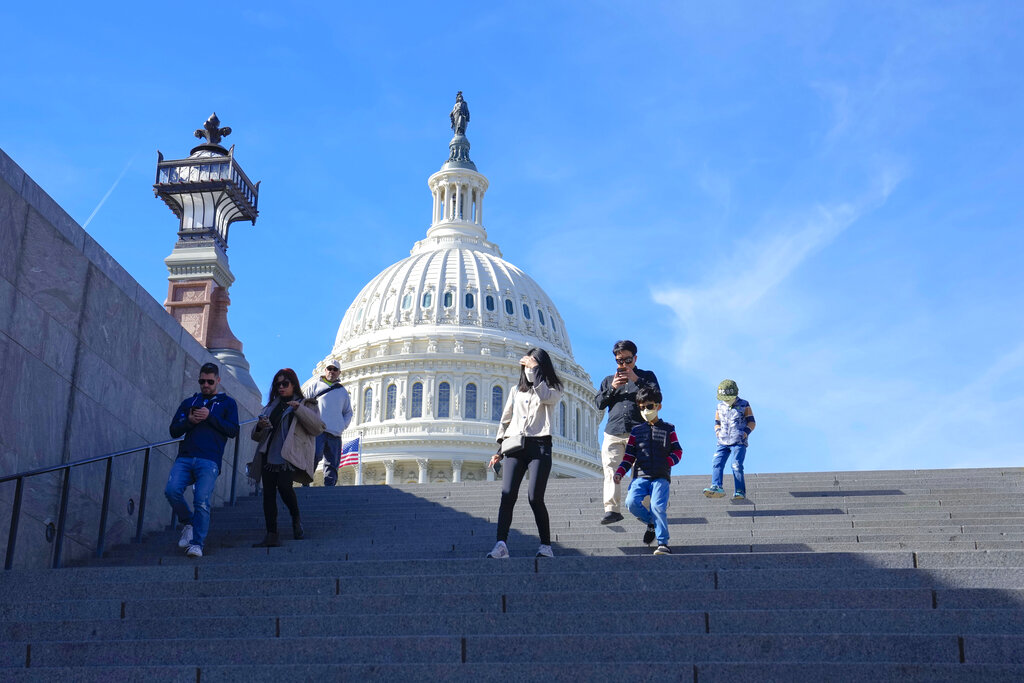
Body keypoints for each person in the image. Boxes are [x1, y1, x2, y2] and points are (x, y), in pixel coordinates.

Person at [487, 348, 563, 559]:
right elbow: (506, 420)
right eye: (527, 364)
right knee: (507, 495)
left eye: (533, 364)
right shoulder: (515, 391)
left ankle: (545, 545)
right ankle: (501, 544)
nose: (528, 368)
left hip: (540, 446)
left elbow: (545, 396)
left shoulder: (554, 388)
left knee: (534, 497)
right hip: (515, 446)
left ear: (541, 366)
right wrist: (499, 450)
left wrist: (536, 370)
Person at [166, 362, 240, 559]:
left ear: (218, 380)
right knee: (171, 491)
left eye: (209, 381)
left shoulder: (227, 403)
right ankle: (188, 523)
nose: (205, 385)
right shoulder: (189, 402)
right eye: (202, 381)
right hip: (186, 456)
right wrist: (189, 422)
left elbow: (233, 430)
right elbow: (174, 430)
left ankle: (197, 543)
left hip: (209, 459)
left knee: (202, 501)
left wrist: (209, 417)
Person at [249, 368, 325, 547]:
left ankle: (295, 517)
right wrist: (260, 426)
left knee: (284, 487)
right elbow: (255, 436)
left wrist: (299, 409)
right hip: (269, 453)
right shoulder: (271, 406)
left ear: (293, 384)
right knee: (268, 494)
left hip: (290, 454)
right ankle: (271, 533)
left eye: (285, 384)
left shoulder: (306, 404)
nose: (281, 388)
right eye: (277, 385)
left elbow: (317, 427)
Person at [593, 340, 660, 525]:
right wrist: (613, 387)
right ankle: (612, 510)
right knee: (611, 471)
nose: (623, 364)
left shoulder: (647, 376)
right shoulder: (608, 380)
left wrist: (636, 380)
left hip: (640, 433)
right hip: (613, 432)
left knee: (643, 472)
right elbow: (598, 403)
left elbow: (656, 395)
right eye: (619, 361)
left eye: (627, 360)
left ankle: (646, 510)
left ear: (635, 358)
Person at [613, 385, 682, 555]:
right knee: (631, 502)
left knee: (657, 506)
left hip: (661, 476)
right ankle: (652, 522)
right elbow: (629, 456)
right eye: (642, 407)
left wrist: (668, 462)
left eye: (649, 406)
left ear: (658, 406)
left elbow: (678, 451)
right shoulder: (636, 432)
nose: (645, 410)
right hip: (640, 476)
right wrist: (620, 472)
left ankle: (662, 542)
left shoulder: (668, 429)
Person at [301, 360, 353, 487]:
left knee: (332, 463)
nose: (332, 372)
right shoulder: (315, 385)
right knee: (314, 457)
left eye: (335, 370)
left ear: (339, 373)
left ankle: (329, 487)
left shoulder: (342, 391)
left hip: (335, 432)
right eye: (329, 369)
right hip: (318, 430)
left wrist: (342, 425)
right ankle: (305, 482)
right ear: (325, 370)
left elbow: (348, 412)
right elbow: (304, 403)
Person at [703, 379, 756, 500]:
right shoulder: (719, 406)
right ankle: (716, 486)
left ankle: (740, 491)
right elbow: (717, 422)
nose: (726, 400)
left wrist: (745, 433)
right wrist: (717, 431)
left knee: (736, 465)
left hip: (738, 441)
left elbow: (752, 421)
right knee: (717, 462)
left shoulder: (744, 404)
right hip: (722, 441)